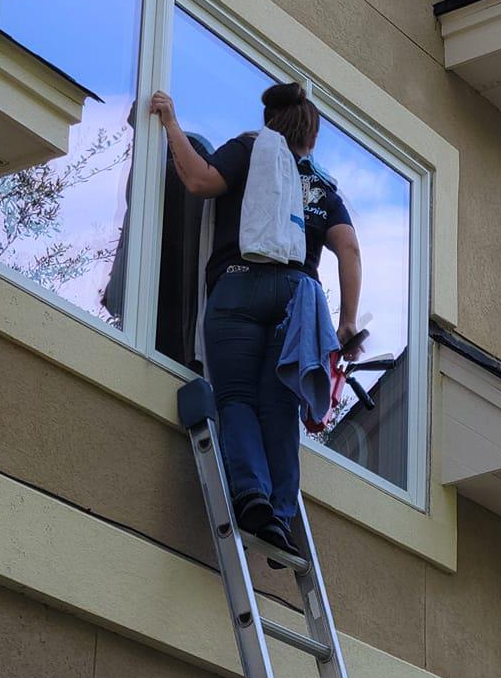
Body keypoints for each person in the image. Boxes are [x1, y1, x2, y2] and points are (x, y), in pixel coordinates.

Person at [150, 81, 362, 552]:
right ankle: (281, 518)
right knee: (281, 404)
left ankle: (251, 497)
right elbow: (347, 246)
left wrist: (170, 123)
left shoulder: (249, 150)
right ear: (310, 137)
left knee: (238, 398)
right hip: (295, 296)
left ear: (271, 123)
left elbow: (200, 180)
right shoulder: (320, 183)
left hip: (239, 284)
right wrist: (346, 322)